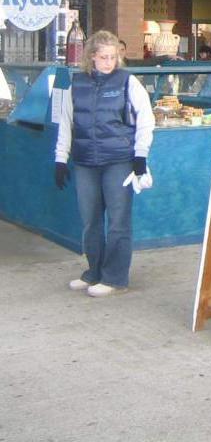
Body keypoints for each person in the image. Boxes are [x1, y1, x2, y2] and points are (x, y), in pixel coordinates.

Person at [54, 30, 155, 297]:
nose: (109, 62)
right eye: (104, 57)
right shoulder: (76, 84)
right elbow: (66, 123)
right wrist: (60, 158)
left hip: (118, 160)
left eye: (113, 57)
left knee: (118, 221)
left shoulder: (128, 82)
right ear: (92, 57)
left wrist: (140, 156)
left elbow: (146, 118)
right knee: (90, 221)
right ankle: (94, 272)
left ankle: (115, 278)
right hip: (85, 160)